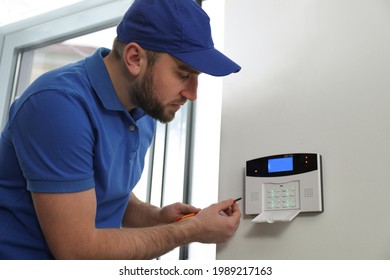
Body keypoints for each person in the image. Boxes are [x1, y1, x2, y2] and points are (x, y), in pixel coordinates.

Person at [0, 0, 241, 260]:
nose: (192, 94)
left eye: (197, 77)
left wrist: (156, 217)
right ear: (135, 58)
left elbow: (106, 193)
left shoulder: (145, 109)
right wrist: (190, 231)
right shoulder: (57, 105)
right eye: (183, 74)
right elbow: (77, 251)